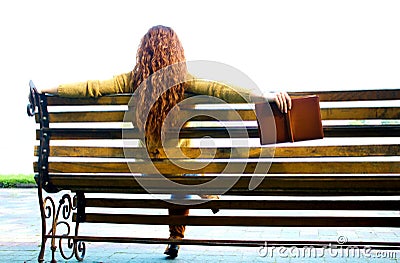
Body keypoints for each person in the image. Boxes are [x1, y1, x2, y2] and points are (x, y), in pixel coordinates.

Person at [39, 25, 292, 258]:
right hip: (178, 169)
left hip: (144, 168)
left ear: (144, 53)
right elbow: (219, 88)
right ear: (176, 53)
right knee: (182, 170)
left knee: (173, 170)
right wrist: (262, 94)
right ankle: (181, 225)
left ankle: (190, 202)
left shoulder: (131, 80)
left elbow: (92, 87)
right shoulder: (185, 80)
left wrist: (47, 89)